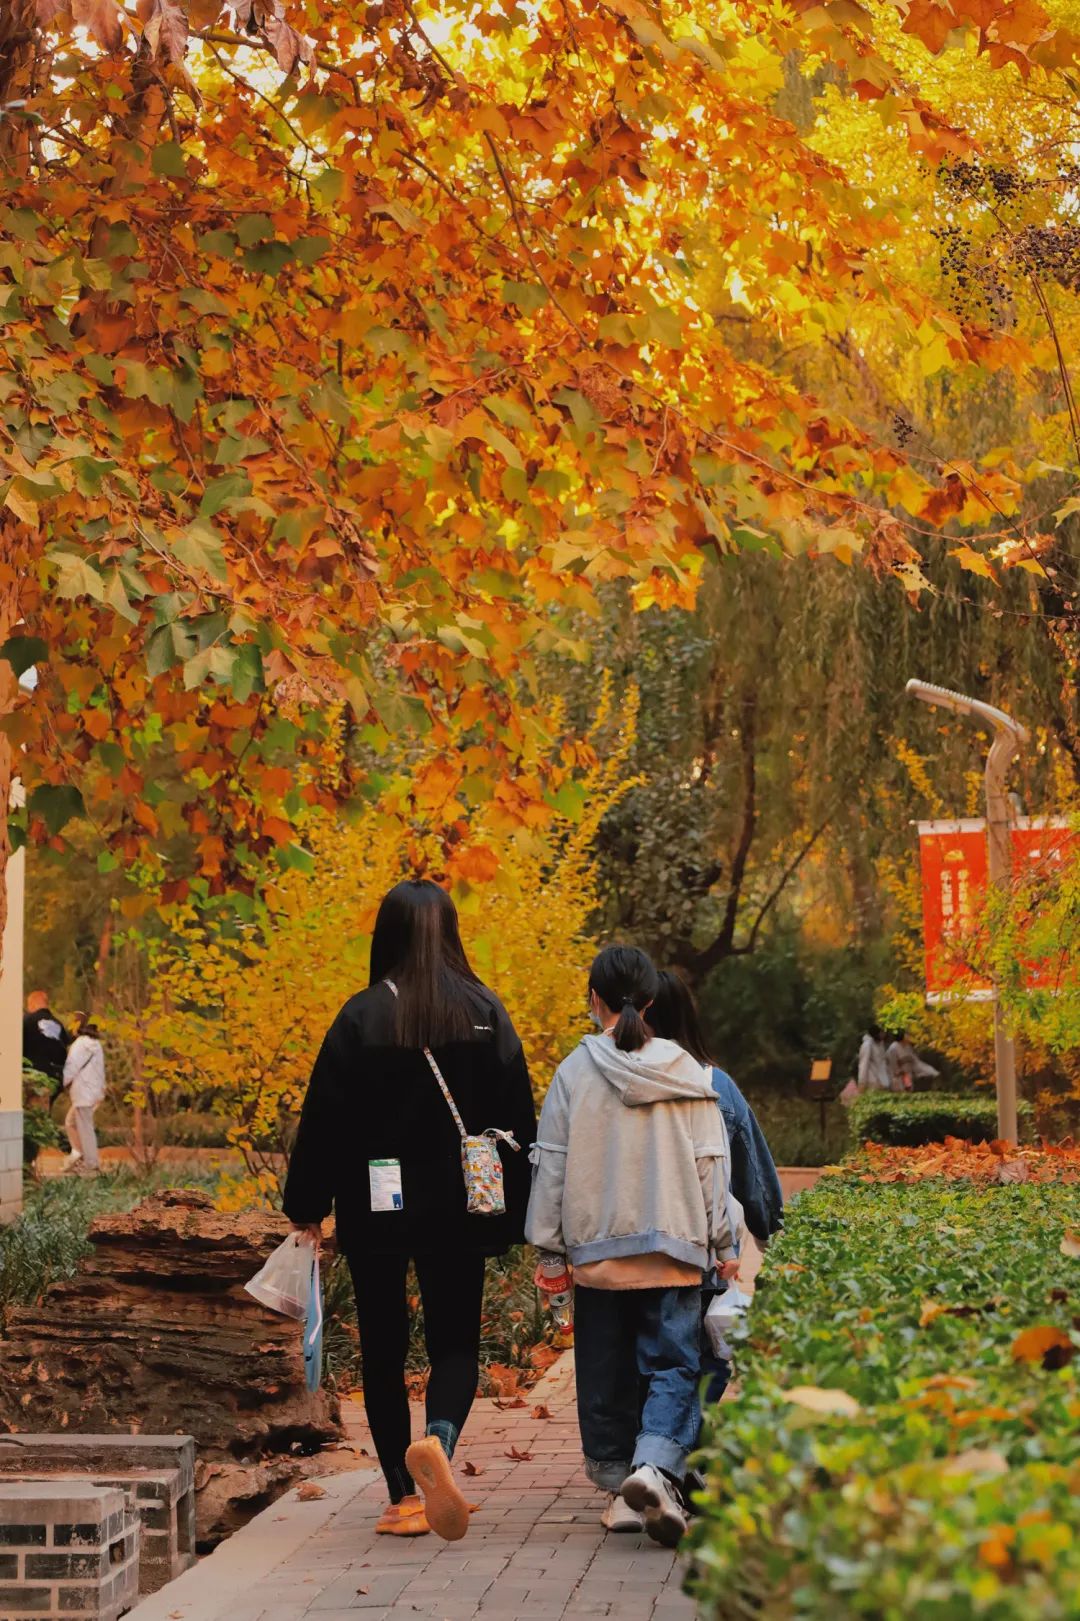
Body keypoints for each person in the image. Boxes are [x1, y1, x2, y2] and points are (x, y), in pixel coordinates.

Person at [283, 878, 536, 1543]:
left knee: (383, 1349)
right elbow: (519, 1118)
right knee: (455, 1342)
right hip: (460, 1205)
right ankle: (441, 1446)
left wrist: (307, 1204)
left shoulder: (361, 1016)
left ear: (387, 934)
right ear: (449, 932)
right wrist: (522, 1211)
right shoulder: (485, 1011)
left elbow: (323, 1121)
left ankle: (402, 1498)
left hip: (377, 1207)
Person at [526, 944, 736, 1548]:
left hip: (597, 1255)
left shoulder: (573, 1071)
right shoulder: (687, 1071)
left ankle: (625, 1483)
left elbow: (554, 1167)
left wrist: (548, 1250)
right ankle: (656, 1468)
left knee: (604, 1372)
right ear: (649, 1000)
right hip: (675, 1249)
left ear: (595, 1000)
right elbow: (709, 1164)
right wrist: (723, 1240)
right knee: (673, 1366)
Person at [646, 970, 783, 1404]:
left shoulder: (609, 1084)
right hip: (701, 1250)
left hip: (625, 1252)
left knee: (652, 1363)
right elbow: (752, 1172)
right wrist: (770, 1235)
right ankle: (674, 1457)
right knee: (704, 1361)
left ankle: (653, 1457)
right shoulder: (714, 1085)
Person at [62, 1014, 106, 1175]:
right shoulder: (96, 1044)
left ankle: (90, 1163)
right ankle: (80, 1155)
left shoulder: (80, 1044)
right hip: (92, 1092)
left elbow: (71, 1068)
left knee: (85, 1127)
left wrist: (59, 1083)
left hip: (83, 1093)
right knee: (71, 1122)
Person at [23, 991, 71, 1099]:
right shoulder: (59, 1024)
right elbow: (66, 1049)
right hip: (55, 1078)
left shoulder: (26, 1021)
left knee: (35, 1112)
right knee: (46, 1109)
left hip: (32, 1077)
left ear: (32, 1004)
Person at [857, 1023, 891, 1092]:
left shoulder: (881, 1044)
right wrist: (862, 1081)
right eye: (881, 1032)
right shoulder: (867, 1045)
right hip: (872, 1081)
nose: (884, 1034)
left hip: (883, 1081)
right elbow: (864, 1064)